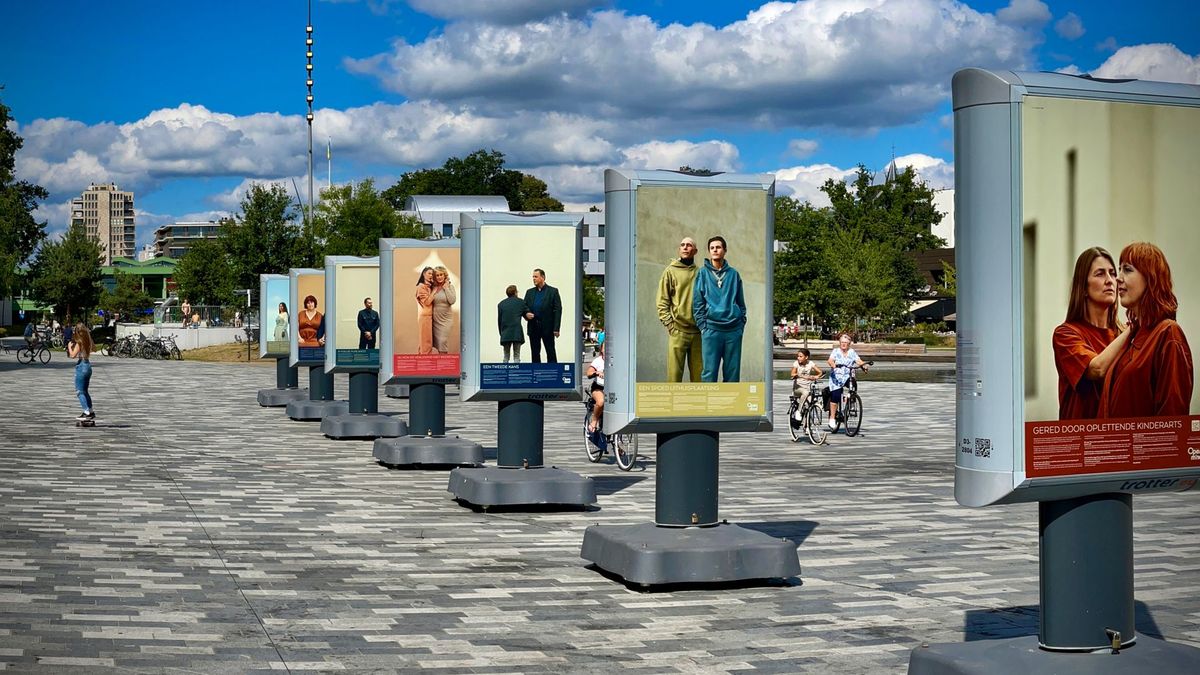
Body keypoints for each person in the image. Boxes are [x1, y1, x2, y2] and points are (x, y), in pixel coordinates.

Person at [1100, 242, 1194, 418]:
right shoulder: (1131, 336)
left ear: (1150, 277)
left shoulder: (1168, 333)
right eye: (1119, 270)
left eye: (1127, 270)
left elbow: (1172, 419)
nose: (1118, 278)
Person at [1052, 247, 1128, 420]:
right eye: (1100, 274)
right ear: (1083, 287)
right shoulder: (1065, 334)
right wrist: (1134, 328)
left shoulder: (1124, 334)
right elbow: (1097, 369)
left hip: (1117, 433)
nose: (1110, 281)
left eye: (1112, 273)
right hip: (1080, 434)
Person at [692, 236, 746, 382]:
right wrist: (703, 327)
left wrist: (741, 324)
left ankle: (730, 399)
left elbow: (741, 302)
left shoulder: (733, 274)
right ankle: (709, 399)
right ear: (709, 251)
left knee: (732, 374)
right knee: (709, 373)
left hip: (733, 330)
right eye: (712, 248)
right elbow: (697, 303)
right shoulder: (702, 273)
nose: (715, 250)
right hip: (711, 329)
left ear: (725, 250)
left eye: (718, 247)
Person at [656, 236, 703, 382]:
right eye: (682, 245)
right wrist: (670, 324)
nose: (685, 247)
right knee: (674, 378)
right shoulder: (670, 272)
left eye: (689, 245)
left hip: (698, 333)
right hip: (678, 331)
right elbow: (662, 301)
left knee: (699, 379)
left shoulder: (701, 273)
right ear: (679, 249)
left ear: (695, 251)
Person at [827, 333, 868, 430]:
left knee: (853, 384)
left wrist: (864, 366)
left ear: (849, 344)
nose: (843, 344)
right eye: (842, 342)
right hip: (836, 377)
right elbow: (830, 360)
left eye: (846, 342)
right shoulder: (836, 351)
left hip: (847, 376)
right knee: (836, 396)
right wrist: (833, 365)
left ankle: (850, 400)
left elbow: (858, 361)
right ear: (839, 343)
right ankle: (832, 418)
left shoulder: (852, 352)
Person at [523, 268, 562, 363]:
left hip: (548, 327)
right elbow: (524, 307)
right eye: (533, 277)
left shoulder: (553, 291)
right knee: (535, 353)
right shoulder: (529, 292)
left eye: (536, 277)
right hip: (533, 327)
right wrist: (526, 314)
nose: (534, 279)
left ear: (543, 277)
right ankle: (536, 372)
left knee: (550, 351)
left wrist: (556, 328)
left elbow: (558, 310)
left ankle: (553, 370)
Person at [67, 322, 95, 421]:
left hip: (82, 366)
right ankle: (91, 411)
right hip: (88, 365)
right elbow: (94, 349)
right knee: (85, 391)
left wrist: (69, 346)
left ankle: (86, 412)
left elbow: (72, 355)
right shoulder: (88, 341)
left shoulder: (80, 342)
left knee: (80, 392)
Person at [497, 285, 527, 363]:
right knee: (517, 356)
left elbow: (499, 320)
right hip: (517, 332)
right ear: (515, 292)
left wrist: (501, 333)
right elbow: (526, 313)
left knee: (506, 356)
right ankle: (516, 370)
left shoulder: (501, 304)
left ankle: (505, 370)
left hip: (505, 332)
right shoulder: (521, 302)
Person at [430, 266, 457, 353]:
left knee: (442, 341)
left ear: (445, 275)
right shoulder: (433, 288)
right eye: (437, 275)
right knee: (438, 344)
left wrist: (446, 288)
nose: (439, 277)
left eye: (441, 274)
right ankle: (441, 361)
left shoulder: (450, 287)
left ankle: (444, 360)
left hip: (445, 320)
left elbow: (452, 301)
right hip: (435, 320)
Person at [586, 341, 606, 432]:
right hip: (599, 387)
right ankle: (594, 421)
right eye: (605, 348)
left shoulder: (618, 360)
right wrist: (596, 373)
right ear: (601, 350)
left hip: (614, 388)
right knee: (601, 401)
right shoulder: (598, 361)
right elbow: (589, 373)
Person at [415, 267, 435, 354]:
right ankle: (426, 361)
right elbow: (427, 302)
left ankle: (421, 360)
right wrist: (434, 291)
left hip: (429, 317)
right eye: (429, 273)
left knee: (426, 343)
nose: (431, 275)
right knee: (426, 343)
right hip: (425, 317)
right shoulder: (421, 287)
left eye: (432, 274)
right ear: (424, 274)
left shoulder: (429, 287)